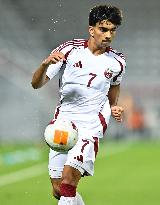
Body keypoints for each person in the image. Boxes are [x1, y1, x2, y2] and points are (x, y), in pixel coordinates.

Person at [31, 4, 126, 205]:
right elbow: (36, 84)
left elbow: (114, 88)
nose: (108, 35)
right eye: (103, 29)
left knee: (68, 182)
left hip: (91, 125)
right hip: (63, 123)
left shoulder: (117, 62)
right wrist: (45, 64)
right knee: (59, 190)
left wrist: (114, 107)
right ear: (91, 30)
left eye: (112, 30)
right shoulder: (69, 49)